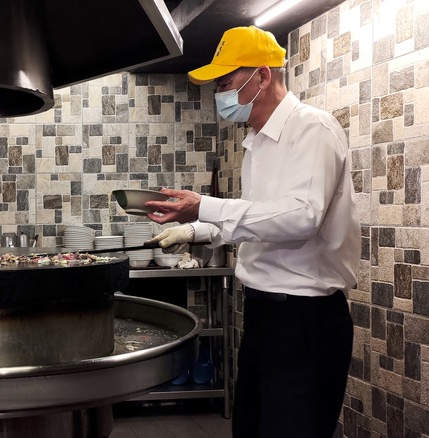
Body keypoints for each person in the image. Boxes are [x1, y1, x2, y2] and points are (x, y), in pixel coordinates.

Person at [144, 25, 360, 438]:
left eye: (225, 83)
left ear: (262, 75)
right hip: (265, 315)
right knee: (252, 428)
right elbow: (261, 220)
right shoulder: (257, 143)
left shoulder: (312, 129)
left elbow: (301, 219)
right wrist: (196, 230)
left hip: (304, 320)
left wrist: (204, 205)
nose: (220, 95)